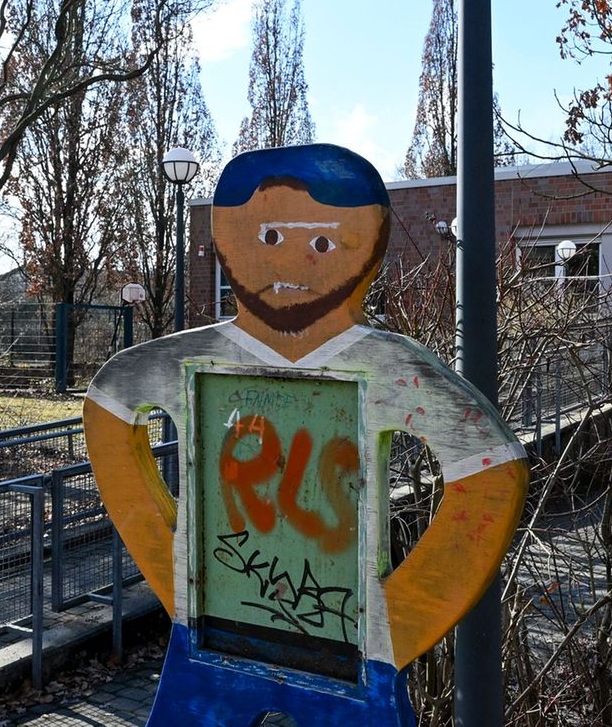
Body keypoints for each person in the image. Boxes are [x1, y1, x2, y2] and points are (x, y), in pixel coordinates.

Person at [82, 143, 527, 725]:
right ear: (228, 236)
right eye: (268, 238)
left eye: (320, 242)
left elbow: (491, 471)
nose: (290, 264)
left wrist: (398, 622)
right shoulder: (189, 361)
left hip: (352, 666)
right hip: (213, 653)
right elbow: (109, 406)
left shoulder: (387, 367)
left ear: (364, 243)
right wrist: (177, 586)